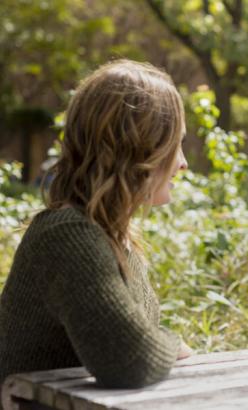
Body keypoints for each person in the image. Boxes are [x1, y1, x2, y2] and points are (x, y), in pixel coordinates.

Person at [0, 60, 192, 390]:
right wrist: (175, 344)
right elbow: (130, 362)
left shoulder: (113, 237)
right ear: (140, 148)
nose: (183, 163)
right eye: (176, 145)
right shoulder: (67, 235)